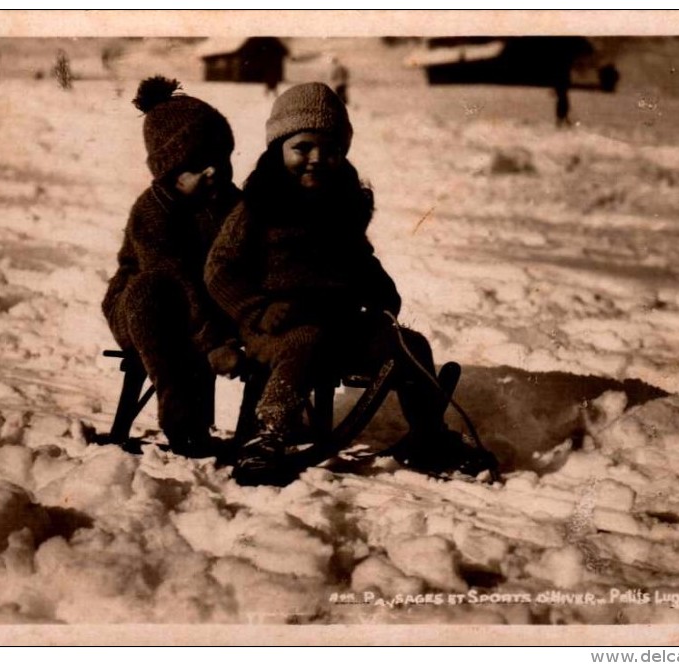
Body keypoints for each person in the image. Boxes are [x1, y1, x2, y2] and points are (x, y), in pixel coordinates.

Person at [205, 83, 491, 485]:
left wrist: (380, 291)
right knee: (303, 341)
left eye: (331, 149)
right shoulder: (256, 208)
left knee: (411, 345)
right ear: (278, 148)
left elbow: (359, 259)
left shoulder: (341, 204)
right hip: (278, 326)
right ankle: (267, 435)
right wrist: (257, 310)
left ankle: (429, 434)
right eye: (303, 147)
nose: (318, 159)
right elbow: (219, 268)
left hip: (339, 324)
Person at [102, 76, 244, 457]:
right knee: (153, 293)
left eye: (221, 158)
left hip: (205, 302)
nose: (214, 170)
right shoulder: (152, 212)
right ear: (168, 170)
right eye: (199, 164)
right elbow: (174, 277)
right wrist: (213, 340)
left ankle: (263, 425)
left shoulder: (229, 203)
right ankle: (182, 423)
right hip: (144, 307)